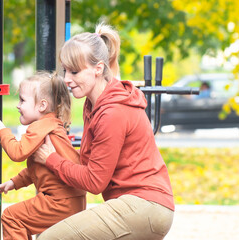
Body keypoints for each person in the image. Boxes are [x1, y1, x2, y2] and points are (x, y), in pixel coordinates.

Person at [33, 23, 175, 240]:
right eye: (65, 71)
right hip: (138, 205)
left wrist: (51, 159)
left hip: (146, 205)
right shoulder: (94, 105)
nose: (67, 79)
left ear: (98, 69)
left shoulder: (112, 112)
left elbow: (94, 181)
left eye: (75, 71)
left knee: (49, 238)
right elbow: (88, 164)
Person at [0, 71, 86, 240]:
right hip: (72, 202)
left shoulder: (39, 127)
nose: (18, 106)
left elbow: (17, 153)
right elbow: (39, 168)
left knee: (12, 218)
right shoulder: (53, 125)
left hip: (59, 202)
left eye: (22, 100)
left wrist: (2, 130)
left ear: (41, 106)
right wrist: (13, 183)